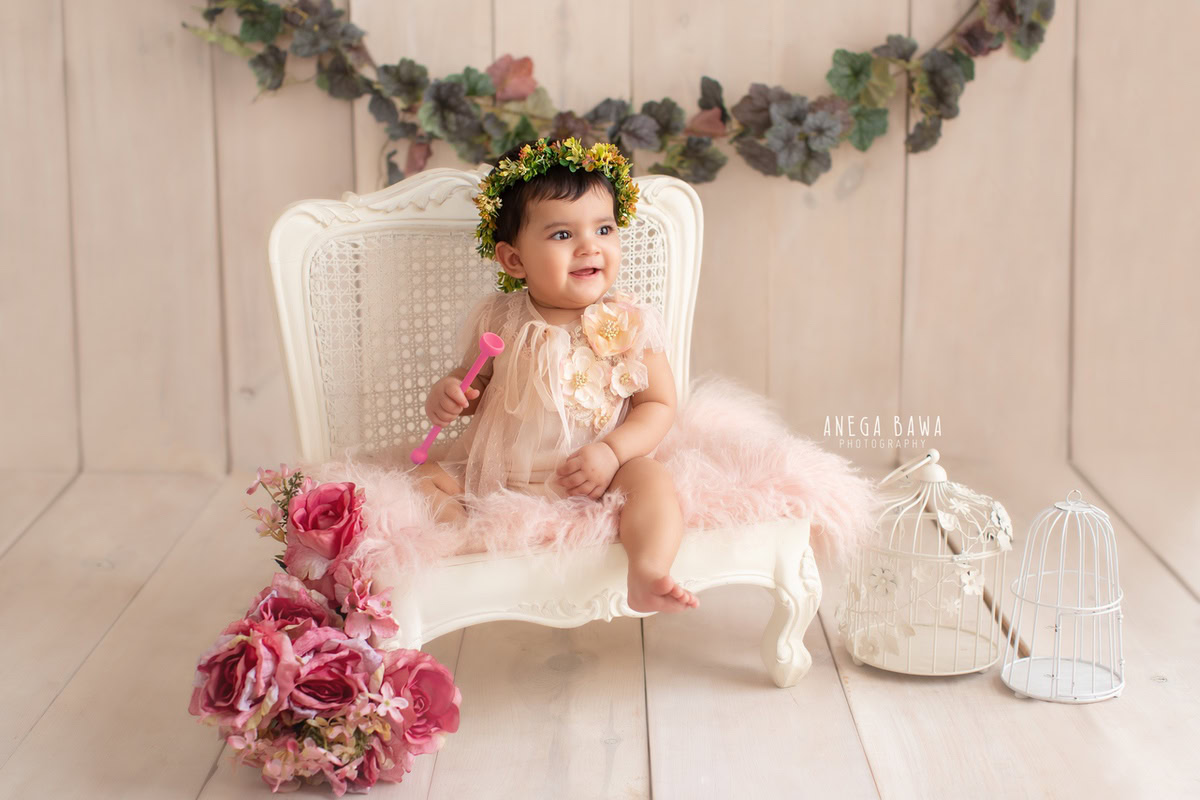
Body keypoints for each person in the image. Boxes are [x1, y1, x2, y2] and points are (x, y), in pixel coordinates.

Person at [411, 137, 699, 614]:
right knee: (423, 480)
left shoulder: (628, 322)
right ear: (514, 260)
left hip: (597, 477)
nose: (590, 246)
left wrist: (612, 452)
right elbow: (472, 383)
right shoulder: (499, 319)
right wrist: (448, 394)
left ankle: (648, 569)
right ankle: (465, 555)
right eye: (563, 235)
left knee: (650, 478)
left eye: (604, 228)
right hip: (499, 475)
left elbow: (659, 404)